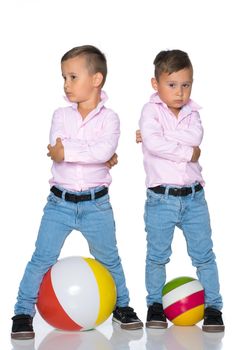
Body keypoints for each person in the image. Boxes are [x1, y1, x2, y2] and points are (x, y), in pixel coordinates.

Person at [11, 45, 143, 340]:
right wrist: (91, 154)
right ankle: (22, 312)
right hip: (60, 203)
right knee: (42, 258)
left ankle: (123, 307)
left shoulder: (110, 119)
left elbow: (102, 150)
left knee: (110, 259)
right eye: (64, 78)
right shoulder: (61, 115)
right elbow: (58, 148)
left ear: (96, 80)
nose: (66, 85)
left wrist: (73, 151)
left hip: (97, 205)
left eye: (72, 77)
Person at [136, 49, 224, 332]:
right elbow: (155, 143)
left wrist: (156, 139)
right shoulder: (150, 110)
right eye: (172, 85)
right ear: (156, 84)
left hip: (194, 198)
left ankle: (213, 307)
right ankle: (155, 305)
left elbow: (193, 137)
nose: (180, 92)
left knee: (204, 255)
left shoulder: (193, 113)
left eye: (186, 85)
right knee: (157, 256)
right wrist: (187, 152)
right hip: (161, 199)